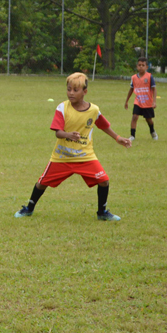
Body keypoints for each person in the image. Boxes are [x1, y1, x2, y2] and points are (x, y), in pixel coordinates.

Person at [14, 72, 132, 221]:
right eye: (69, 89)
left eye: (75, 90)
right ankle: (28, 209)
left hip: (85, 156)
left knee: (104, 180)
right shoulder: (62, 107)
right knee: (42, 183)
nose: (71, 93)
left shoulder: (94, 110)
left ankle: (102, 212)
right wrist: (68, 135)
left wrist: (118, 138)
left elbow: (103, 125)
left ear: (85, 92)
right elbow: (57, 132)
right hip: (62, 157)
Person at [124, 57, 158, 142]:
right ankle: (132, 135)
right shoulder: (134, 78)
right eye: (139, 65)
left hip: (147, 102)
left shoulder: (149, 77)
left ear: (147, 67)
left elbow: (154, 89)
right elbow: (131, 89)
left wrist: (154, 101)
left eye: (143, 65)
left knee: (148, 119)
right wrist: (127, 101)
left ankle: (152, 131)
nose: (141, 67)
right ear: (137, 66)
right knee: (134, 117)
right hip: (138, 101)